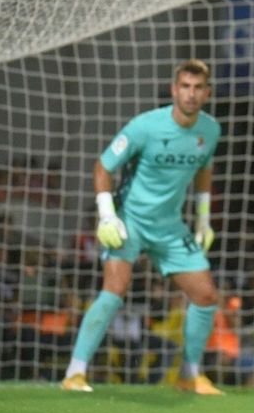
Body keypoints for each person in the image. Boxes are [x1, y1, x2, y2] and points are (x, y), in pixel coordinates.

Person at [61, 60, 223, 395]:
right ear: (173, 90)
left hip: (170, 226)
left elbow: (205, 169)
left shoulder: (210, 130)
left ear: (206, 93)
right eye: (185, 86)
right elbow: (103, 167)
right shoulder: (144, 126)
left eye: (197, 88)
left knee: (205, 295)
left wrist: (203, 219)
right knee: (115, 288)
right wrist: (107, 215)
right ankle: (75, 373)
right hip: (130, 221)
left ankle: (189, 375)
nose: (190, 94)